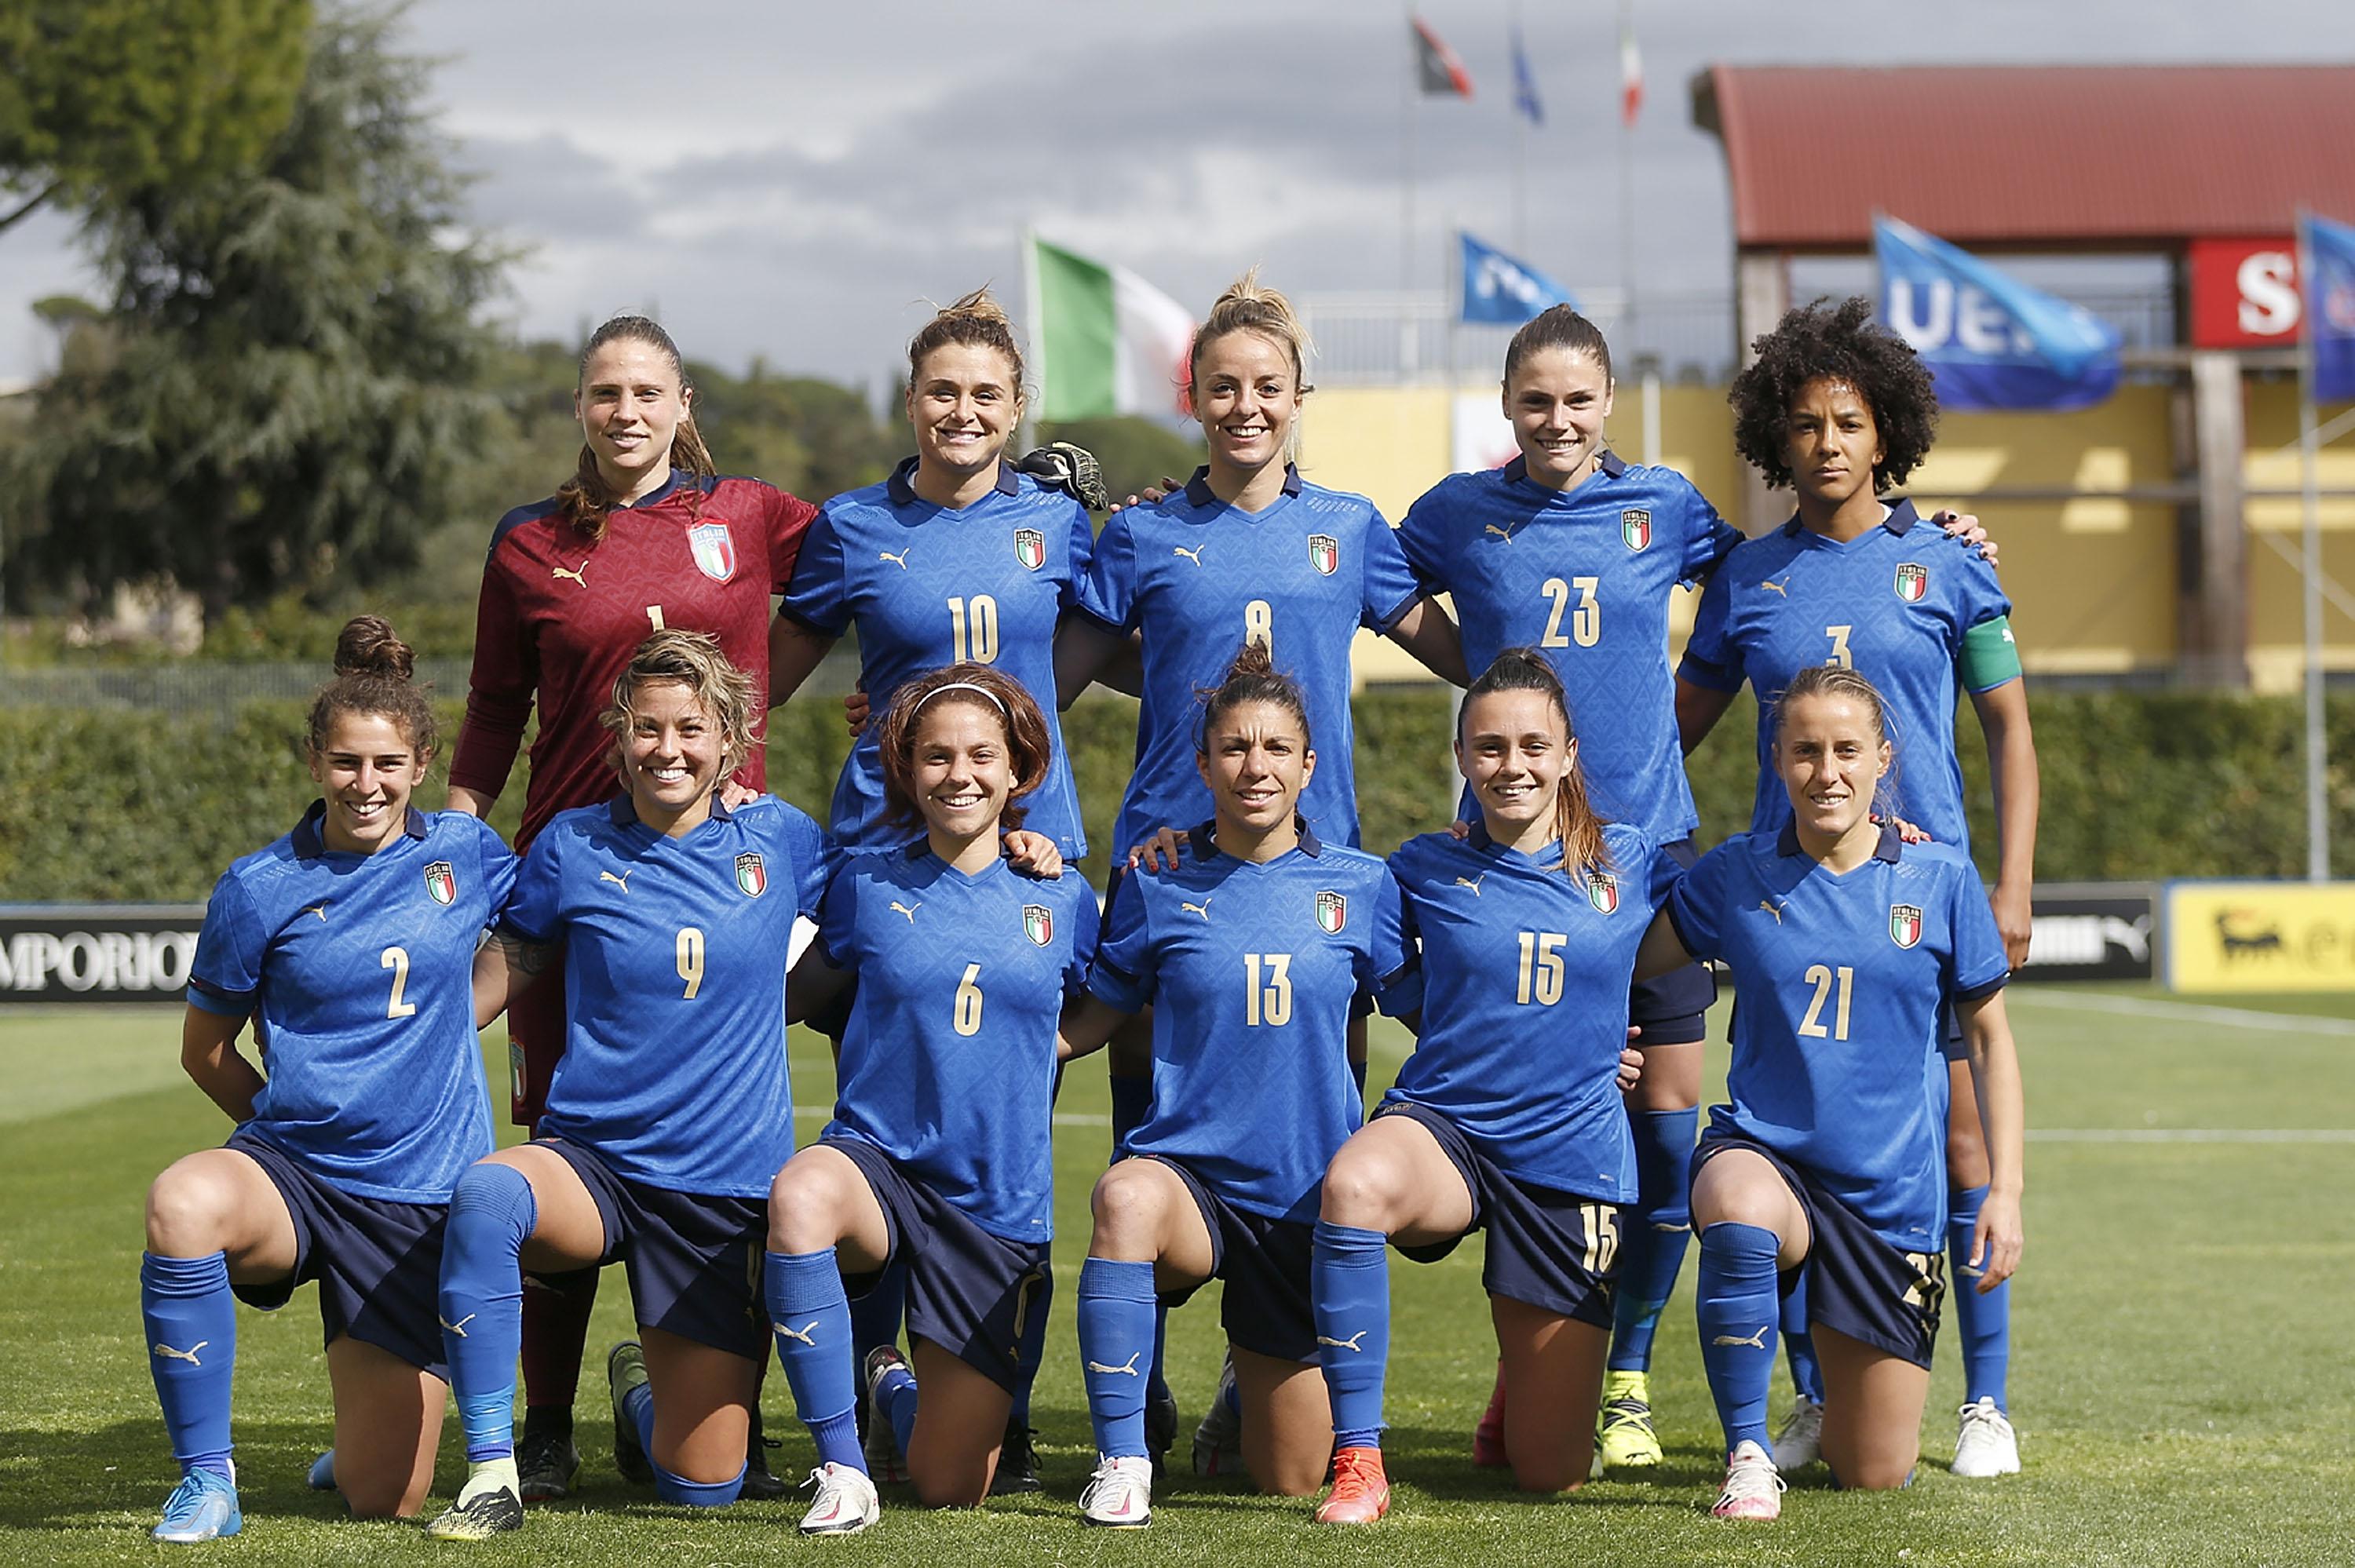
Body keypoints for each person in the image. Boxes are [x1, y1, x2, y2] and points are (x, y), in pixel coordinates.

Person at [1392, 303, 1995, 1471]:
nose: (1556, 418)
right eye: (1534, 400)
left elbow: (1815, 564)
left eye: (1576, 398)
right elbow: (1360, 583)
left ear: (1609, 401)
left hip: (1647, 860)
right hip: (1514, 869)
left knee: (1670, 1139)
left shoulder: (1668, 508)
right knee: (1523, 1126)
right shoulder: (1459, 511)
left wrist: (1935, 527)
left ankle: (1625, 1374)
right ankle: (1530, 1381)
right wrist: (1487, 670)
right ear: (1508, 406)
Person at [1073, 270, 1464, 1468]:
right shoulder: (1143, 531)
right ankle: (1130, 1392)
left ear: (1301, 397)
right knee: (1147, 1140)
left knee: (1305, 1138)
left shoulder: (1345, 527)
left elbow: (1458, 647)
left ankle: (1268, 1368)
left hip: (1314, 887)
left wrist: (1555, 717)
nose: (1246, 406)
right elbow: (1053, 672)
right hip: (1170, 877)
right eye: (1224, 386)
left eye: (1269, 387)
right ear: (1194, 394)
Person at [447, 314, 818, 1500]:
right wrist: (444, 844)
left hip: (714, 863)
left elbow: (893, 560)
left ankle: (683, 1389)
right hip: (576, 883)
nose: (626, 410)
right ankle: (538, 1423)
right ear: (580, 408)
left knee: (720, 1128)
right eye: (604, 391)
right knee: (554, 1145)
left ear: (683, 401)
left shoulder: (751, 515)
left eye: (646, 390)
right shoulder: (530, 542)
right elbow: (496, 707)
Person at [1678, 296, 2038, 1479]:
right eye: (1804, 424)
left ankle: (1985, 1399)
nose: (1826, 442)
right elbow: (1677, 725)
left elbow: (2010, 733)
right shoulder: (1745, 578)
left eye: (1848, 421)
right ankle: (1813, 1396)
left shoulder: (1950, 561)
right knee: (1793, 1131)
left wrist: (2015, 882)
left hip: (1919, 904)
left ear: (1887, 432)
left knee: (1963, 1139)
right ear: (1773, 440)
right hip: (1788, 900)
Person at [769, 290, 1100, 1486]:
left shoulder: (1060, 527)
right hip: (881, 858)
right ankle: (864, 1371)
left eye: (985, 394)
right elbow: (761, 677)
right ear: (913, 403)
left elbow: (1134, 637)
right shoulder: (853, 526)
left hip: (1024, 854)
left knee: (1002, 1117)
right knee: (879, 1106)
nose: (962, 410)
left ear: (1018, 411)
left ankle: (1042, 1389)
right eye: (942, 390)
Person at [423, 632, 831, 1541]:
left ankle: (639, 1390)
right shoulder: (571, 844)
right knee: (490, 1195)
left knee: (705, 1485)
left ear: (730, 738)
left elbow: (878, 914)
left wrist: (1022, 850)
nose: (669, 749)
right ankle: (494, 1469)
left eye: (691, 728)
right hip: (595, 1162)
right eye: (647, 729)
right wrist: (430, 1025)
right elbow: (518, 950)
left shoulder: (786, 839)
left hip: (723, 1188)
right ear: (618, 741)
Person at [143, 618, 516, 1541]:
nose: (366, 784)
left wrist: (459, 1015)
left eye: (387, 764)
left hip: (418, 1197)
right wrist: (283, 1120)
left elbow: (537, 935)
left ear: (421, 763)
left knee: (383, 1497)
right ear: (314, 762)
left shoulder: (466, 855)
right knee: (181, 1203)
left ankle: (359, 1442)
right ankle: (206, 1483)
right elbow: (206, 1051)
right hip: (294, 1176)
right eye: (346, 762)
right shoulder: (258, 886)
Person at [1634, 664, 2025, 1521]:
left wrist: (2007, 1192)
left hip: (1888, 1201)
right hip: (1767, 1160)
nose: (1828, 771)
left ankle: (1843, 1409)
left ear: (1885, 758)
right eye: (1806, 751)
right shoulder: (1736, 874)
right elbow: (1627, 966)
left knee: (1874, 1471)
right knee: (1735, 1207)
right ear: (1778, 760)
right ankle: (1746, 1455)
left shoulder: (1940, 879)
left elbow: (1993, 1042)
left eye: (1848, 750)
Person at [1055, 643, 1418, 1528]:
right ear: (1202, 762)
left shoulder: (1363, 887)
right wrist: (985, 1048)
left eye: (1275, 749)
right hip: (1191, 1184)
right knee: (1125, 1197)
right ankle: (1124, 1461)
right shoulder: (1157, 880)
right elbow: (1095, 1014)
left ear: (1309, 763)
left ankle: (1236, 1399)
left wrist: (1575, 1051)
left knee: (1290, 1479)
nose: (1255, 767)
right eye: (1234, 748)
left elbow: (1435, 1014)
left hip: (1305, 1199)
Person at [1309, 649, 1674, 1522]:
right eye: (1490, 747)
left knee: (1548, 1473)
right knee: (1354, 1186)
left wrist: (1896, 838)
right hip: (1449, 1130)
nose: (1512, 766)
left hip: (1572, 1155)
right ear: (1465, 756)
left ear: (1569, 755)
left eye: (1532, 746)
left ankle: (1523, 1385)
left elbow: (1754, 893)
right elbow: (1362, 947)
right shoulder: (1420, 869)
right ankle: (1358, 1459)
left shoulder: (1632, 858)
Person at [764, 664, 1098, 1534]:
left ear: (1020, 768)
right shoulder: (865, 882)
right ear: (906, 772)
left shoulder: (1061, 895)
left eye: (981, 756)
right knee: (801, 1193)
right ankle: (840, 1468)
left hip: (993, 1199)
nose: (960, 774)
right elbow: (786, 991)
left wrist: (1041, 1044)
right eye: (937, 757)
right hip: (878, 1166)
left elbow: (1111, 1004)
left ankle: (892, 1390)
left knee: (951, 1485)